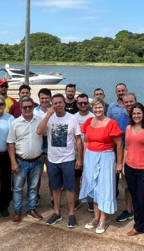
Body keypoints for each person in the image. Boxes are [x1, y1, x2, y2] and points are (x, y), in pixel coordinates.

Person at [37, 94, 84, 228]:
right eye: (55, 103)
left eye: (60, 102)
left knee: (70, 187)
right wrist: (47, 115)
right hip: (53, 159)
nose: (58, 105)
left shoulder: (72, 118)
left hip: (68, 158)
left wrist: (79, 158)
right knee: (55, 187)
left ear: (64, 104)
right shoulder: (49, 118)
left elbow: (78, 140)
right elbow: (39, 131)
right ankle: (57, 212)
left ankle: (71, 214)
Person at [79, 98, 124, 234]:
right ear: (92, 109)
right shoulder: (89, 122)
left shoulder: (111, 123)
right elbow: (86, 142)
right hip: (91, 157)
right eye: (95, 107)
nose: (98, 110)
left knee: (105, 188)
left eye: (100, 107)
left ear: (104, 108)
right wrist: (84, 160)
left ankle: (103, 220)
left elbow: (119, 144)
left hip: (106, 157)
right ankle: (96, 218)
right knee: (94, 188)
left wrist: (119, 163)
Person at [7, 97, 44, 222]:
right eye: (24, 107)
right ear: (21, 108)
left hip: (37, 161)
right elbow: (11, 143)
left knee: (33, 187)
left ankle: (31, 209)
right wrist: (13, 162)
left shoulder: (40, 120)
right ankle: (17, 211)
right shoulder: (15, 123)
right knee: (18, 188)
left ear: (33, 107)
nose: (27, 109)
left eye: (29, 106)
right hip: (21, 161)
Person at [123, 103, 144, 241]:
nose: (136, 115)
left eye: (139, 113)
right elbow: (126, 148)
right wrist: (123, 165)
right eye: (134, 113)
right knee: (135, 199)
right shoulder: (128, 128)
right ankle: (138, 226)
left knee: (143, 200)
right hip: (130, 168)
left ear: (143, 114)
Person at [74, 93, 94, 211]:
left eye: (85, 103)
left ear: (88, 103)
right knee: (76, 178)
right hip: (76, 152)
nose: (83, 105)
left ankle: (91, 200)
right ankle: (76, 199)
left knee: (90, 177)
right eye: (80, 103)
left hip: (90, 152)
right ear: (77, 104)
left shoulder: (93, 117)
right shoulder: (73, 117)